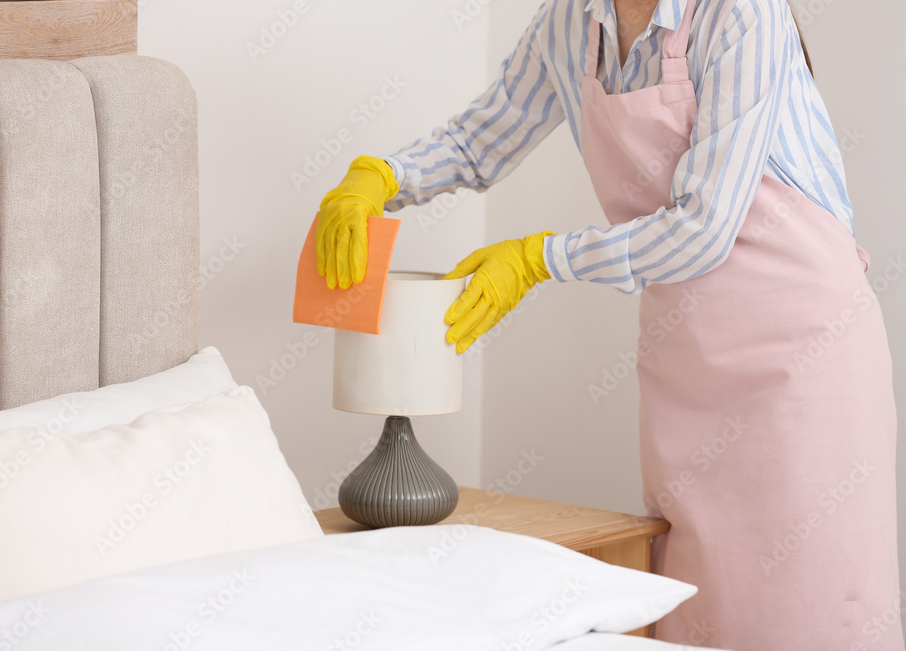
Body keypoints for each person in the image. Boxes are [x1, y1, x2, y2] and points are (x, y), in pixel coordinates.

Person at [312, 0, 903, 649]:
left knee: (813, 603)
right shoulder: (571, 20)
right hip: (686, 361)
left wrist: (541, 258)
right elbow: (480, 139)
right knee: (696, 598)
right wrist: (382, 177)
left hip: (804, 357)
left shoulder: (740, 13)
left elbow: (705, 228)